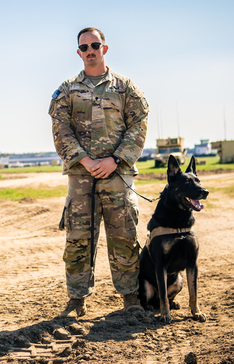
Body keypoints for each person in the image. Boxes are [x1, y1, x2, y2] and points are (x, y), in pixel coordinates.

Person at [49, 27, 149, 317]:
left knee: (124, 235)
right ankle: (76, 299)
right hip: (81, 178)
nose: (90, 50)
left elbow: (138, 125)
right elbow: (60, 128)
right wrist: (83, 159)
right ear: (78, 52)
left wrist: (114, 160)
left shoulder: (125, 87)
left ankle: (131, 296)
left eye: (95, 45)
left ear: (104, 48)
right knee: (78, 237)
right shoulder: (67, 89)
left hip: (117, 175)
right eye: (84, 47)